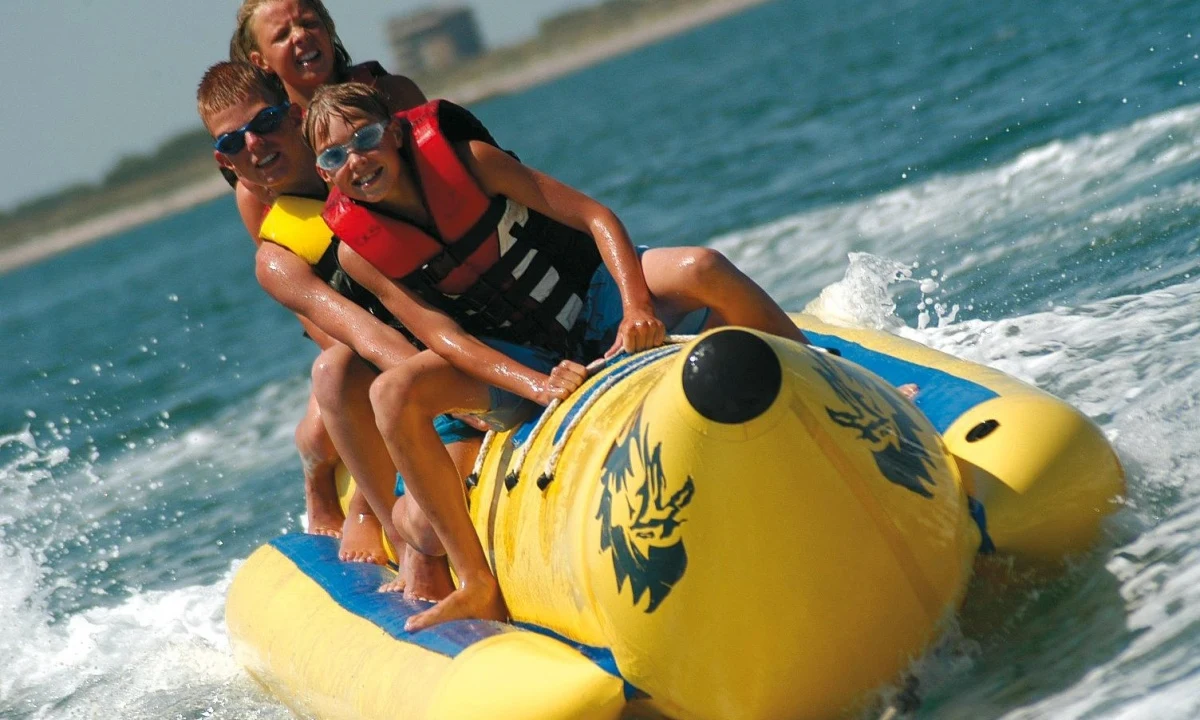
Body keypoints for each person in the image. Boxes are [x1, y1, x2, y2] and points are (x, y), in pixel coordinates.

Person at [302, 82, 810, 630]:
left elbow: (596, 217)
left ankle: (820, 380)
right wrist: (535, 386)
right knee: (391, 391)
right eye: (335, 155)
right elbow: (444, 337)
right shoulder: (358, 252)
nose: (357, 158)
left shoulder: (472, 162)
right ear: (326, 173)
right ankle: (475, 583)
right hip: (518, 356)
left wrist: (637, 304)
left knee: (701, 267)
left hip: (591, 298)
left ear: (396, 132)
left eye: (367, 137)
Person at [196, 62, 482, 596]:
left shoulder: (373, 155)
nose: (255, 144)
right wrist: (470, 395)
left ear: (295, 113)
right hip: (413, 373)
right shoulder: (280, 249)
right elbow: (365, 339)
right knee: (332, 371)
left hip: (476, 334)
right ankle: (394, 527)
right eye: (235, 142)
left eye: (266, 122)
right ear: (225, 161)